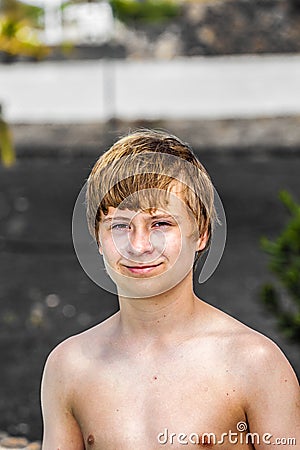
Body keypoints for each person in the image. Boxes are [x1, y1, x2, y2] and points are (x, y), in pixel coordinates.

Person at [41, 130, 300, 449]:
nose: (138, 246)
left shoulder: (254, 364)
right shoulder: (69, 366)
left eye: (161, 224)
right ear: (98, 238)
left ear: (202, 232)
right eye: (120, 226)